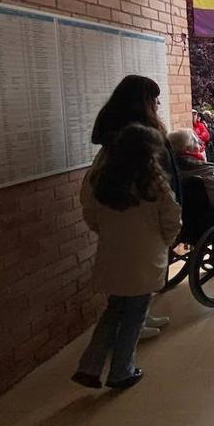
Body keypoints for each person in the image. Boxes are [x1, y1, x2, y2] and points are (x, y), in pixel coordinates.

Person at [72, 124, 181, 391]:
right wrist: (164, 242)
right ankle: (122, 370)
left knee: (114, 311)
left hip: (112, 256)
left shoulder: (104, 184)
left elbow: (92, 217)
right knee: (134, 316)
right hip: (144, 259)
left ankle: (89, 366)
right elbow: (172, 219)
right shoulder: (154, 185)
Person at [91, 75, 178, 340]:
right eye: (154, 99)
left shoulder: (115, 141)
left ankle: (140, 316)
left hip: (131, 221)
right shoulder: (133, 141)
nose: (158, 104)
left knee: (133, 281)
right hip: (142, 218)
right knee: (134, 279)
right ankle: (128, 345)